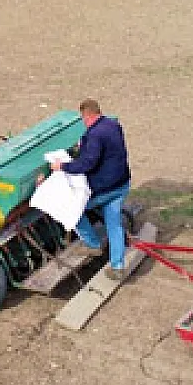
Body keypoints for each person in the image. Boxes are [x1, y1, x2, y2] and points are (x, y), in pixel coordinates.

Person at [52, 98, 132, 280]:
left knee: (73, 210)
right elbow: (106, 151)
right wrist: (85, 146)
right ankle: (118, 266)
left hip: (104, 189)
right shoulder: (112, 124)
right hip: (121, 184)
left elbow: (88, 163)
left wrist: (62, 167)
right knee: (115, 224)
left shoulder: (95, 134)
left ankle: (93, 244)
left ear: (87, 116)